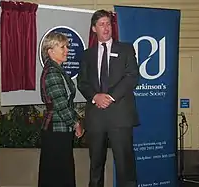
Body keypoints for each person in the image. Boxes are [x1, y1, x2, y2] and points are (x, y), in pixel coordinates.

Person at [77, 9, 139, 187]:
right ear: (94, 28)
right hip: (96, 117)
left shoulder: (126, 49)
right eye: (101, 24)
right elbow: (82, 82)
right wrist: (95, 96)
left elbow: (132, 77)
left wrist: (110, 97)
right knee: (95, 167)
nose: (106, 28)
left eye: (108, 24)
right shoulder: (87, 54)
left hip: (120, 116)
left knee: (125, 167)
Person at [38, 32, 84, 187]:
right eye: (62, 47)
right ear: (50, 51)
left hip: (59, 129)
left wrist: (75, 121)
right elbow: (61, 105)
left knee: (58, 173)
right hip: (55, 131)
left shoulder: (57, 70)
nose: (67, 50)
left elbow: (65, 103)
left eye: (67, 47)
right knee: (58, 175)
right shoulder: (52, 72)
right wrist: (76, 123)